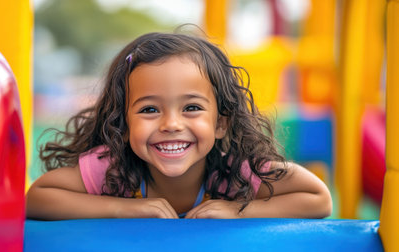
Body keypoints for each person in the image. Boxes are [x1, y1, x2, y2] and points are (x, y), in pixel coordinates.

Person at [26, 32, 332, 220]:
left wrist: (238, 211)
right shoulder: (114, 170)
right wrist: (123, 209)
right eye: (149, 109)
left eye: (192, 108)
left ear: (221, 123)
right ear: (123, 124)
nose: (171, 124)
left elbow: (318, 198)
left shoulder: (235, 172)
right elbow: (38, 198)